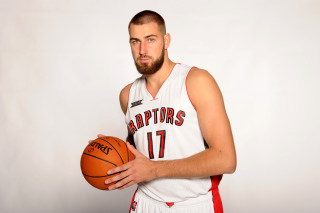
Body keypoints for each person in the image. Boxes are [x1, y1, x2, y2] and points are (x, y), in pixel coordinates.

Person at [94, 10, 236, 213]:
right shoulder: (128, 94)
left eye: (150, 39)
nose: (142, 50)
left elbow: (226, 159)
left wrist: (153, 169)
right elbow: (139, 150)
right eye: (135, 41)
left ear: (166, 40)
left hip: (193, 204)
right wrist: (107, 150)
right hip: (145, 203)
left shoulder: (196, 81)